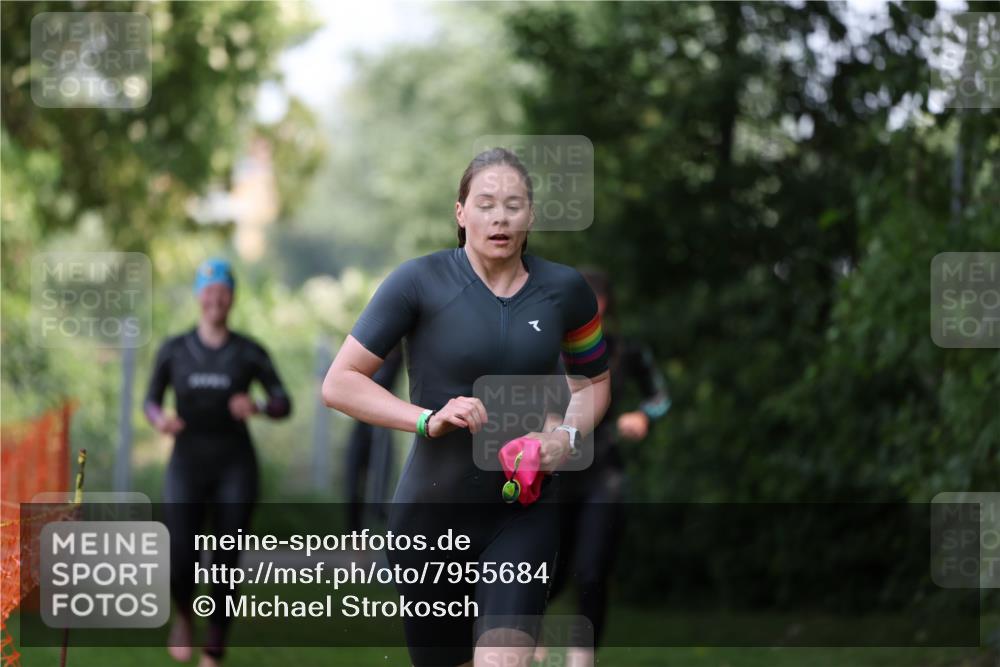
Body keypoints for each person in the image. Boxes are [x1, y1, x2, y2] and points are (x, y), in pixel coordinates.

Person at [322, 147, 612, 667]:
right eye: (485, 204)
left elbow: (594, 383)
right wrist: (425, 420)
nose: (499, 217)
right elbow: (340, 382)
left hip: (523, 514)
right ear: (460, 213)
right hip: (431, 517)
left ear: (531, 214)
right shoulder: (417, 282)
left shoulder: (566, 291)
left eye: (513, 204)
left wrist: (563, 439)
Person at [144, 258, 292, 667]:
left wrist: (258, 404)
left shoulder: (248, 352)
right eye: (209, 290)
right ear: (198, 295)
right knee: (180, 556)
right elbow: (150, 401)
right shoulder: (175, 350)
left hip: (235, 466)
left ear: (232, 297)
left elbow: (284, 402)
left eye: (223, 290)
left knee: (226, 561)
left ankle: (214, 651)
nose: (215, 298)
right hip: (187, 463)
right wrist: (161, 420)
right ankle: (184, 616)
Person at [542, 268, 670, 667]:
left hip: (604, 471)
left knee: (593, 570)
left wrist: (644, 416)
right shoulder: (544, 353)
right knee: (548, 568)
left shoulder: (624, 352)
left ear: (605, 308)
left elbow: (660, 396)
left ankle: (582, 659)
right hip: (555, 473)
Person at [344, 343, 404, 532]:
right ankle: (356, 546)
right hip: (361, 423)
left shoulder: (398, 351)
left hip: (382, 426)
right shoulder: (363, 347)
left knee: (379, 492)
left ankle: (388, 539)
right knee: (352, 486)